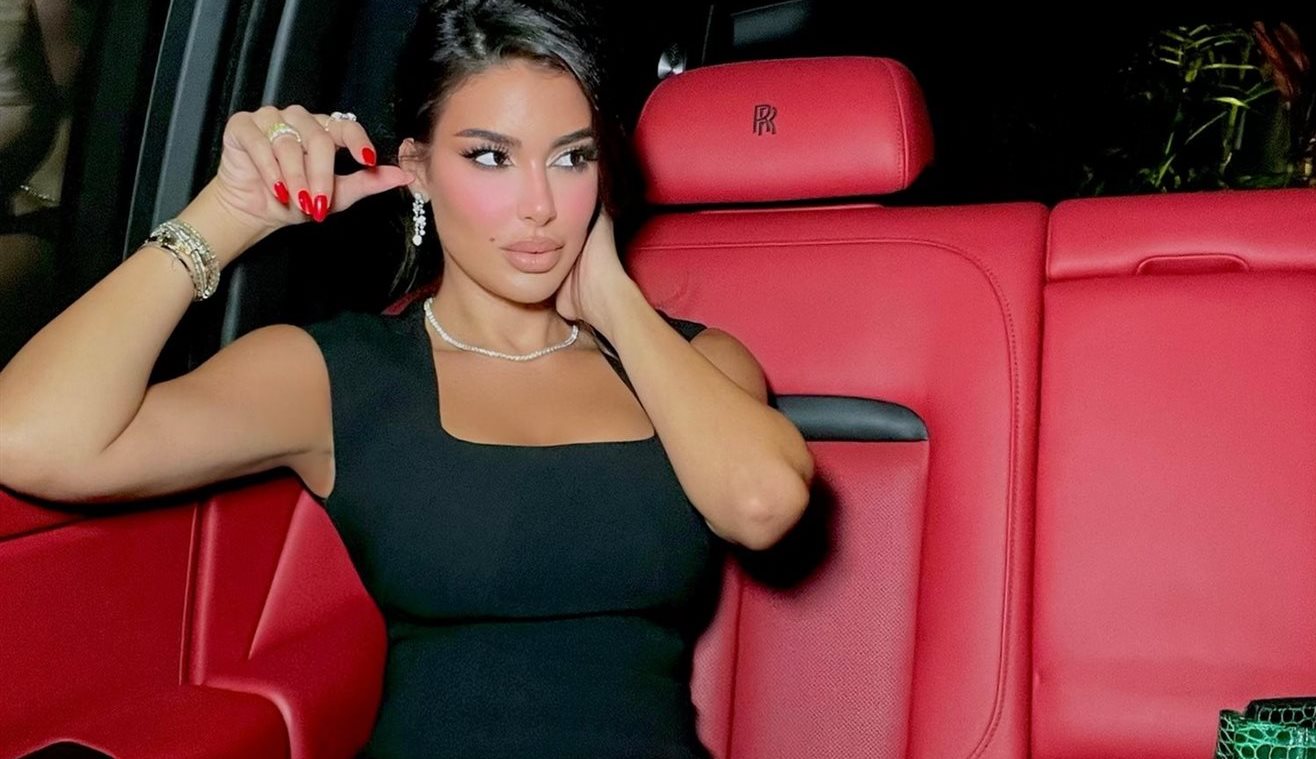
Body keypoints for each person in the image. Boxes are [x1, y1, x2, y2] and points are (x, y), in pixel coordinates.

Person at [0, 0, 814, 756]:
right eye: (490, 157)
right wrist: (226, 215)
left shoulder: (696, 363)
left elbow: (762, 504)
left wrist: (612, 299)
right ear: (417, 168)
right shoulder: (340, 374)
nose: (538, 204)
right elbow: (31, 439)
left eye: (571, 158)